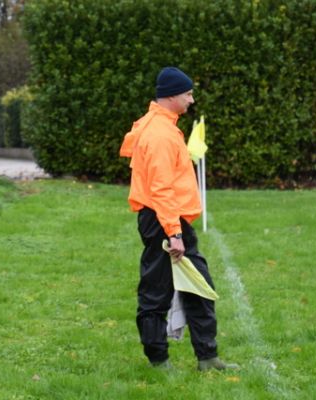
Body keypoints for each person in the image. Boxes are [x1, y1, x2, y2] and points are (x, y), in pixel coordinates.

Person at [119, 66, 239, 371]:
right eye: (188, 94)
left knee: (199, 285)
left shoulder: (164, 125)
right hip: (163, 221)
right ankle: (158, 360)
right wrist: (173, 234)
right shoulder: (159, 133)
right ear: (172, 95)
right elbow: (160, 188)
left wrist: (177, 227)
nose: (192, 100)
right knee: (156, 292)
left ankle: (207, 357)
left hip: (172, 219)